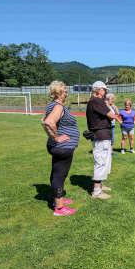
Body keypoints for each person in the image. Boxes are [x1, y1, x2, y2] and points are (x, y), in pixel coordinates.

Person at [41, 81, 80, 216]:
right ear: (58, 94)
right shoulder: (58, 106)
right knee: (60, 175)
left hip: (57, 147)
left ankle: (58, 200)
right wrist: (57, 138)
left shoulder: (52, 105)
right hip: (63, 147)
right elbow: (48, 122)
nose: (67, 94)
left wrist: (53, 138)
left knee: (56, 172)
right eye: (65, 92)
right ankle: (59, 208)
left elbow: (43, 121)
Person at [86, 81, 116, 199]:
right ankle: (97, 191)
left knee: (104, 161)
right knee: (101, 161)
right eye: (105, 90)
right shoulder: (96, 101)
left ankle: (100, 185)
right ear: (98, 90)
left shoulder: (94, 101)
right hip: (100, 135)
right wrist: (107, 104)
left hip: (102, 135)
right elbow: (112, 115)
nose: (106, 93)